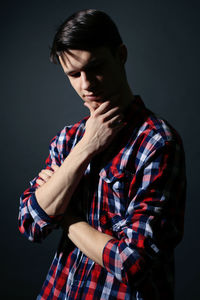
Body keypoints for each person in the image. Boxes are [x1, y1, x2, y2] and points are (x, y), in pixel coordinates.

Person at [18, 9, 186, 300]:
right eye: (73, 74)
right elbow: (30, 222)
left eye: (95, 67)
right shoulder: (68, 140)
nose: (86, 85)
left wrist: (64, 216)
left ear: (120, 55)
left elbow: (133, 261)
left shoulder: (157, 143)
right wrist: (85, 147)